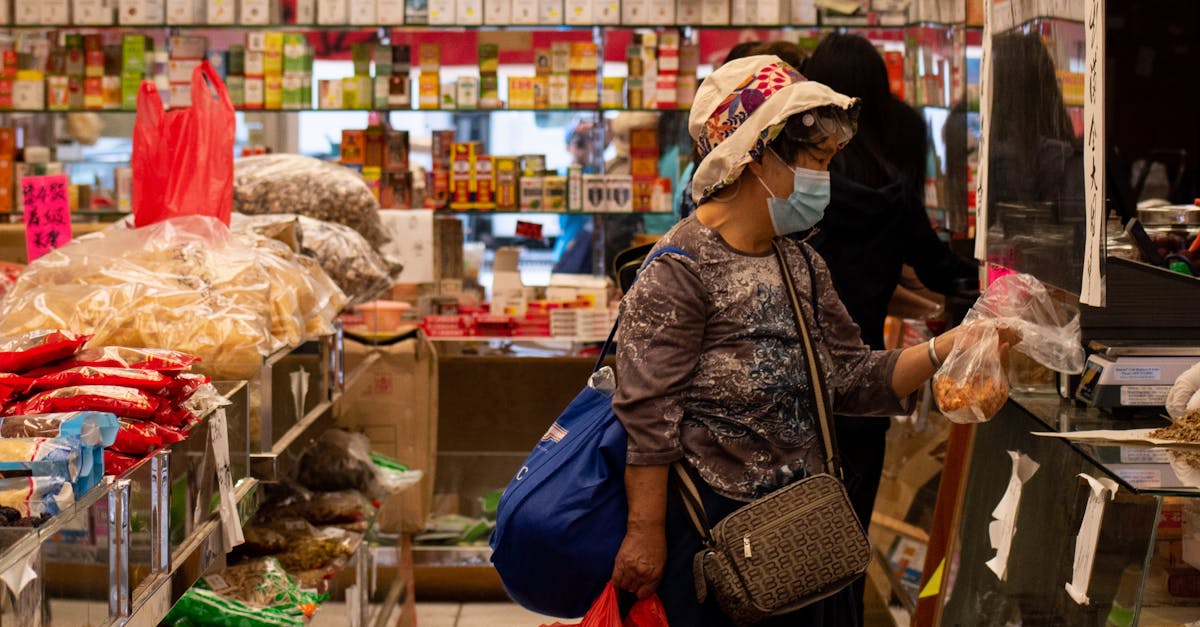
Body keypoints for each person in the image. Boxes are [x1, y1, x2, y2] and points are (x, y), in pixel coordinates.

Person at [609, 55, 1015, 626]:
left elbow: (850, 380)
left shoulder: (800, 263)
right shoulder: (680, 269)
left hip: (805, 533)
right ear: (754, 157)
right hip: (714, 539)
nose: (826, 180)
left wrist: (953, 345)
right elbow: (648, 422)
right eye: (817, 162)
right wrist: (644, 533)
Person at [800, 33, 981, 624]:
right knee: (853, 529)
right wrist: (988, 280)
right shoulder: (890, 188)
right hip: (871, 380)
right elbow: (937, 266)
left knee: (792, 534)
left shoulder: (802, 189)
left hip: (798, 378)